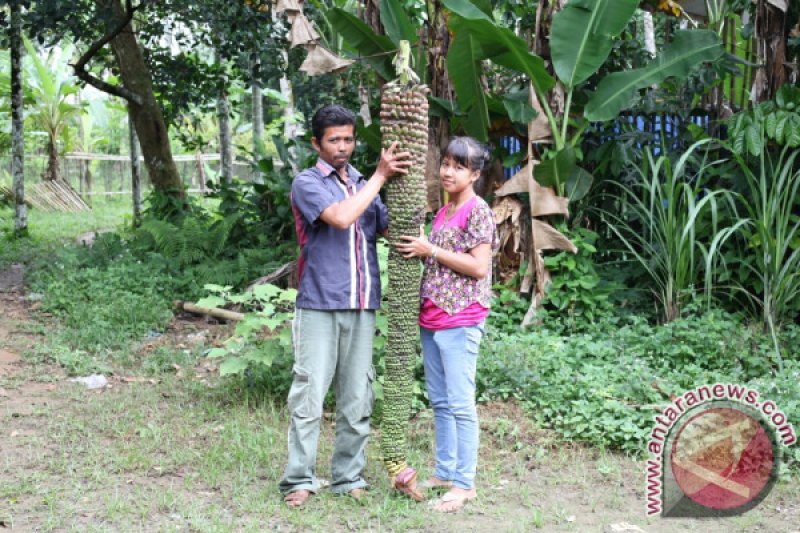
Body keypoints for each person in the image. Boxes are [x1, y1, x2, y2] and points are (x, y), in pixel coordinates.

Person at [280, 105, 411, 507]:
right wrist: (380, 176)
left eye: (349, 139)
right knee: (309, 395)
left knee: (359, 395)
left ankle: (347, 476)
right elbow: (340, 217)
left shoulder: (361, 181)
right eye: (334, 140)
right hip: (319, 303)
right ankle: (298, 479)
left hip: (362, 303)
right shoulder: (307, 182)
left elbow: (390, 227)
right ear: (316, 143)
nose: (343, 147)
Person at [395, 137, 498, 513]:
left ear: (474, 173)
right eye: (445, 164)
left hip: (461, 318)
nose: (448, 172)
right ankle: (444, 471)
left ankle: (465, 484)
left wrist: (431, 250)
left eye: (458, 166)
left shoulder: (478, 211)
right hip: (432, 316)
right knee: (439, 400)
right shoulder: (442, 211)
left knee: (459, 402)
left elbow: (478, 267)